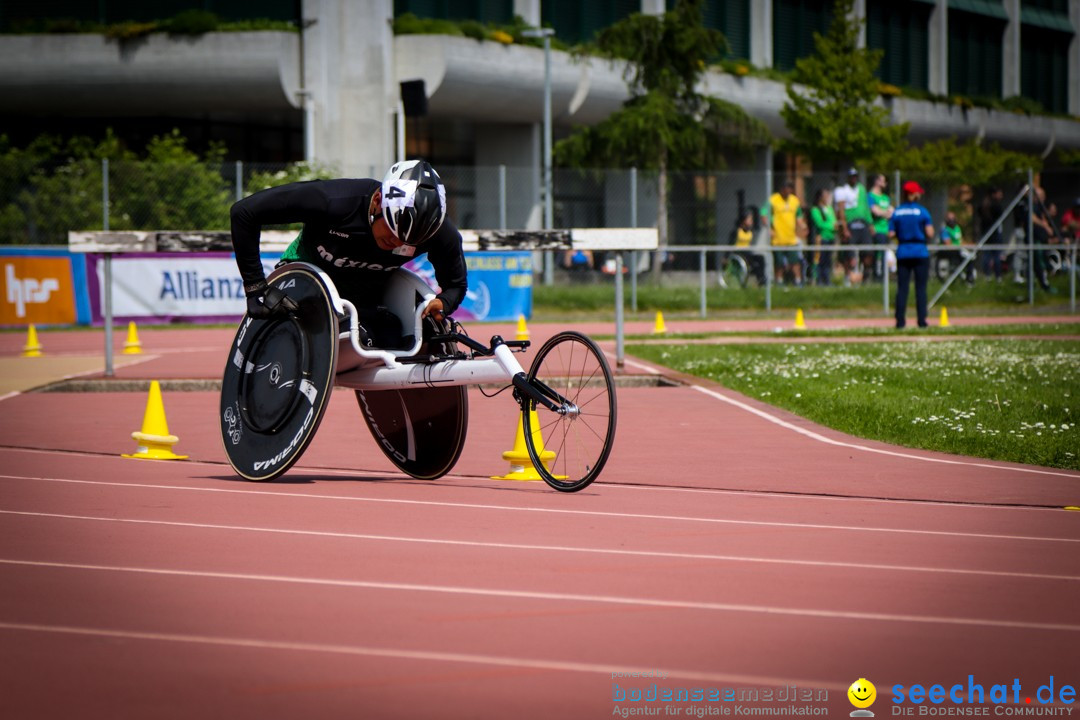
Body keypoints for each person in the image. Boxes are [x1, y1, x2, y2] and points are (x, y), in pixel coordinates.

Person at [230, 159, 467, 344]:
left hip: (364, 299)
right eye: (392, 232)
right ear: (377, 201)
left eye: (406, 241)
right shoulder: (333, 200)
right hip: (306, 283)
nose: (396, 243)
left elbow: (455, 285)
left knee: (404, 337)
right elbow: (244, 212)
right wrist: (255, 288)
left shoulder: (441, 234)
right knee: (355, 334)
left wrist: (444, 303)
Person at [889, 180, 934, 329]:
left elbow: (891, 233)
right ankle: (922, 321)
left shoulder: (897, 211)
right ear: (913, 194)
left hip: (903, 251)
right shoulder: (922, 211)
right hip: (920, 251)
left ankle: (900, 321)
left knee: (902, 288)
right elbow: (930, 232)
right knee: (920, 288)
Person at [762, 179, 805, 286]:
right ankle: (779, 283)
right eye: (786, 188)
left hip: (791, 239)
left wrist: (803, 226)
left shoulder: (794, 200)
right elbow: (763, 214)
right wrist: (769, 229)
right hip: (778, 239)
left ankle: (798, 282)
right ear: (781, 189)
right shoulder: (773, 200)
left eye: (790, 188)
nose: (788, 190)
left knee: (795, 262)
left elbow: (798, 216)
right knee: (779, 263)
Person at [835, 168, 874, 285]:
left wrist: (870, 224)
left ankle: (865, 277)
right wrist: (845, 228)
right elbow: (841, 211)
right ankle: (848, 277)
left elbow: (866, 208)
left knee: (868, 253)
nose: (854, 179)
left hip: (863, 223)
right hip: (851, 224)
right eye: (851, 176)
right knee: (849, 254)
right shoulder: (842, 190)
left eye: (855, 176)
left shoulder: (861, 189)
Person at [867, 173, 893, 280]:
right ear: (876, 181)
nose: (885, 183)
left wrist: (884, 212)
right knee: (874, 254)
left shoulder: (886, 198)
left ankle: (882, 277)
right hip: (875, 229)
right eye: (883, 180)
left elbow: (892, 212)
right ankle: (875, 277)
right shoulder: (870, 196)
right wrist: (885, 213)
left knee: (883, 254)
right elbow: (875, 212)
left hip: (885, 229)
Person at [810, 188, 837, 285]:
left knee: (828, 260)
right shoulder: (815, 210)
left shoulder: (829, 209)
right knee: (819, 259)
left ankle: (827, 280)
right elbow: (820, 224)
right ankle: (818, 280)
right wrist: (831, 226)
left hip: (830, 238)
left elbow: (833, 220)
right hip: (821, 239)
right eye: (826, 195)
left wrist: (835, 227)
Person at [978, 187, 1005, 282]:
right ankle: (998, 276)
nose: (1001, 196)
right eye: (999, 193)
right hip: (994, 234)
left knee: (987, 255)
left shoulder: (983, 205)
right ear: (994, 194)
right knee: (996, 255)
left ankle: (987, 275)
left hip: (986, 233)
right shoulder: (996, 206)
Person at [940, 211, 975, 285]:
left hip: (960, 250)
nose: (951, 220)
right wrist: (959, 247)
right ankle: (963, 277)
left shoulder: (957, 228)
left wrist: (969, 245)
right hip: (952, 252)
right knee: (965, 257)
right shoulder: (945, 230)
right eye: (949, 218)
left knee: (971, 258)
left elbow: (960, 241)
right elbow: (948, 244)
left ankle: (969, 279)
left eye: (953, 218)